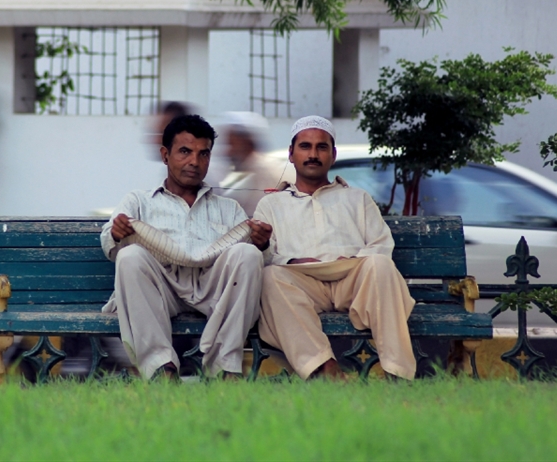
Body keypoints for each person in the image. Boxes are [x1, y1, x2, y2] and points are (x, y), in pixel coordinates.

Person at [100, 114, 270, 380]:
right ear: (165, 155)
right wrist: (117, 232)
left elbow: (261, 259)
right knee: (130, 256)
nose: (194, 162)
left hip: (213, 288)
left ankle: (225, 366)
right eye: (185, 152)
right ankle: (161, 367)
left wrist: (262, 243)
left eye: (204, 154)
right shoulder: (139, 201)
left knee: (247, 253)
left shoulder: (228, 208)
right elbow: (107, 241)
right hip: (160, 287)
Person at [252, 116, 417, 380]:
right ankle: (324, 367)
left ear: (333, 155)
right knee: (271, 278)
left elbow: (381, 245)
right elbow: (266, 258)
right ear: (291, 155)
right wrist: (277, 253)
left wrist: (354, 259)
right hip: (303, 284)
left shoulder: (357, 198)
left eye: (322, 147)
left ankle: (398, 373)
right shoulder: (272, 204)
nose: (313, 154)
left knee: (381, 265)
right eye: (305, 147)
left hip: (353, 281)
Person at [218, 112, 288, 216]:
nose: (227, 152)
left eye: (231, 144)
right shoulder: (246, 173)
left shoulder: (264, 173)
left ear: (246, 142)